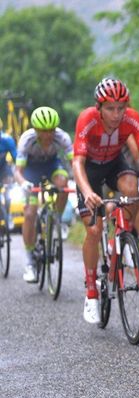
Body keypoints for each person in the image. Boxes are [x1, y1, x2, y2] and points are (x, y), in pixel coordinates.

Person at [72, 77, 139, 324]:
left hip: (114, 163)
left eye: (121, 108)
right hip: (89, 171)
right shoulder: (87, 119)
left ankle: (121, 238)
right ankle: (91, 291)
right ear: (99, 107)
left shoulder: (132, 118)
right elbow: (77, 163)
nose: (116, 114)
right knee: (94, 230)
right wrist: (87, 191)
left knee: (131, 186)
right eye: (110, 108)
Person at [14, 106, 73, 282]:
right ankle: (30, 260)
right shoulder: (27, 139)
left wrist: (80, 182)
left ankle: (56, 218)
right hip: (30, 172)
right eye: (43, 131)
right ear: (36, 129)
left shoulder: (62, 137)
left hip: (52, 167)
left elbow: (74, 163)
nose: (48, 135)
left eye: (51, 130)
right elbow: (18, 171)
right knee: (30, 213)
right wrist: (24, 183)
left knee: (63, 184)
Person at [0, 128, 17, 209]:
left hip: (3, 167)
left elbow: (17, 159)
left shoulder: (7, 140)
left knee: (9, 183)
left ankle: (8, 209)